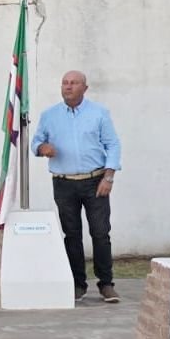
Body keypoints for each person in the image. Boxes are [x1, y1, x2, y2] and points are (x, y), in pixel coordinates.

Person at [29, 70, 122, 303]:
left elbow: (113, 145)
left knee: (100, 233)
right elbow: (36, 142)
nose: (68, 87)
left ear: (85, 88)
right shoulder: (49, 115)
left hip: (95, 182)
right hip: (64, 183)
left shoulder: (99, 113)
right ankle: (77, 285)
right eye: (65, 83)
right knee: (71, 235)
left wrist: (108, 177)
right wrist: (42, 148)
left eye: (74, 83)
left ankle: (106, 284)